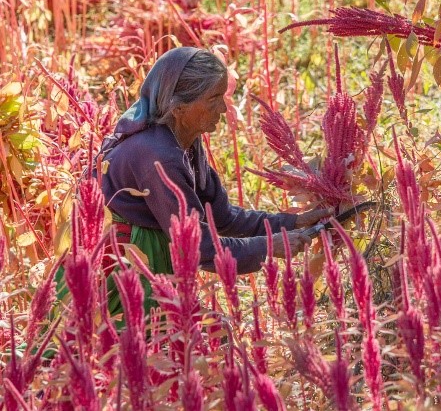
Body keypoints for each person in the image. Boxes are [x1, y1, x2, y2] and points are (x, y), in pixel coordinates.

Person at [97, 47, 332, 296]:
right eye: (213, 99)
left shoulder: (186, 142)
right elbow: (199, 249)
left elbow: (223, 217)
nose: (223, 108)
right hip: (123, 265)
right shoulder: (158, 156)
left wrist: (291, 222)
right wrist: (268, 246)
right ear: (178, 107)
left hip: (149, 252)